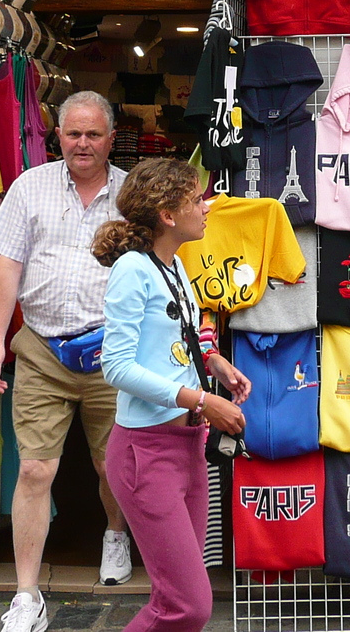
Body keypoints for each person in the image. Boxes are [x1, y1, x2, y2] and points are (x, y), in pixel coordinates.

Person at [0, 91, 133, 632]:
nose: (83, 144)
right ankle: (26, 595)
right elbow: (7, 265)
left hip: (113, 351)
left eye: (93, 134)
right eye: (73, 134)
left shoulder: (131, 194)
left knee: (111, 463)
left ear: (111, 138)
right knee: (35, 467)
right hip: (43, 348)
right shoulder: (31, 186)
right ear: (58, 137)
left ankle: (114, 533)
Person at [94, 158, 251, 632]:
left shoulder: (175, 266)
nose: (206, 207)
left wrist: (213, 361)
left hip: (187, 450)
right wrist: (202, 401)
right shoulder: (131, 269)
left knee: (176, 599)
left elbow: (180, 334)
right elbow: (116, 365)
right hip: (146, 455)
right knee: (189, 605)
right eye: (194, 199)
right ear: (166, 213)